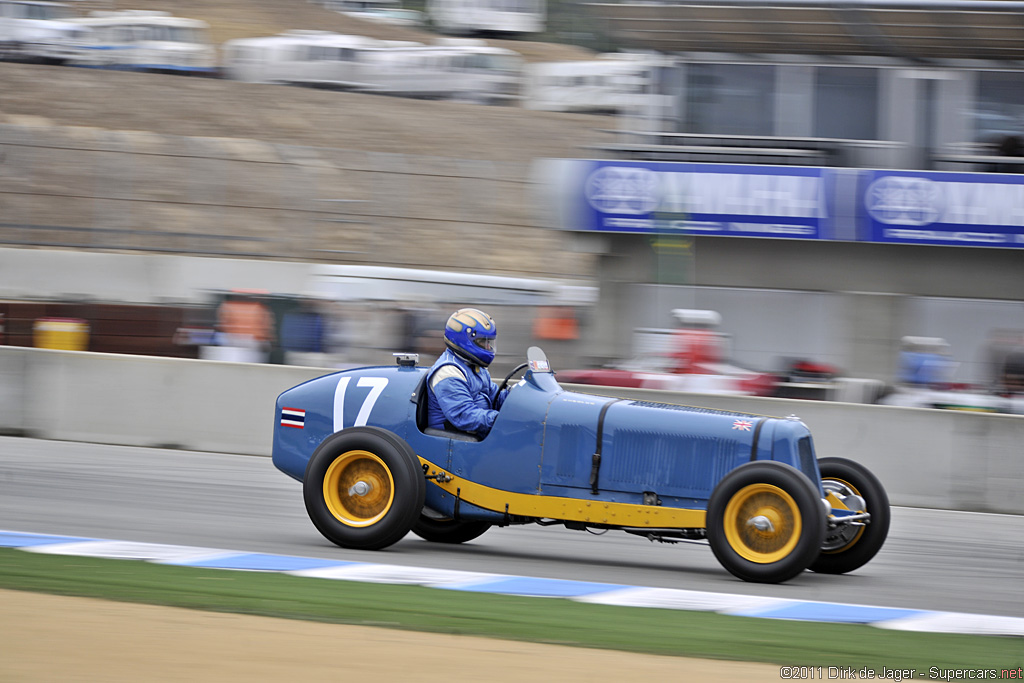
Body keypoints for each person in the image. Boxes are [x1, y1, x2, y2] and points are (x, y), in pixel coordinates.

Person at [425, 307, 508, 437]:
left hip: (477, 435)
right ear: (464, 340)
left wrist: (519, 394)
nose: (488, 347)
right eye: (482, 342)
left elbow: (495, 399)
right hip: (456, 442)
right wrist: (505, 420)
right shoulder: (448, 372)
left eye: (489, 342)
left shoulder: (476, 367)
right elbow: (464, 416)